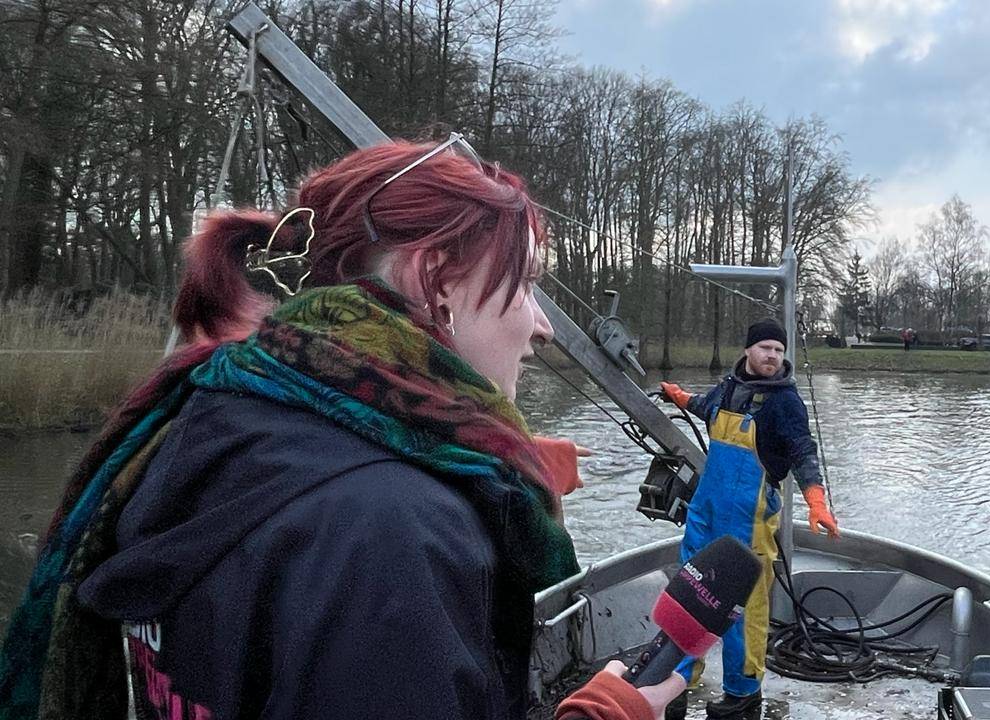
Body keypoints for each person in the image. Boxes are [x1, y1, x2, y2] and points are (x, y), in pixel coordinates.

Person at [0, 137, 683, 720]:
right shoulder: (394, 534)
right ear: (436, 277)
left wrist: (475, 464)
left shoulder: (204, 416)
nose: (539, 324)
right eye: (525, 282)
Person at [657, 319, 839, 719]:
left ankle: (742, 694)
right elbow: (704, 406)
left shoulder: (785, 403)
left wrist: (815, 498)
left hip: (750, 520)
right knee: (690, 595)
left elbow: (802, 451)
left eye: (778, 349)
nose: (772, 355)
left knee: (744, 610)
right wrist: (679, 396)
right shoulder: (728, 388)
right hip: (705, 512)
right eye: (765, 348)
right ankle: (677, 680)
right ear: (747, 351)